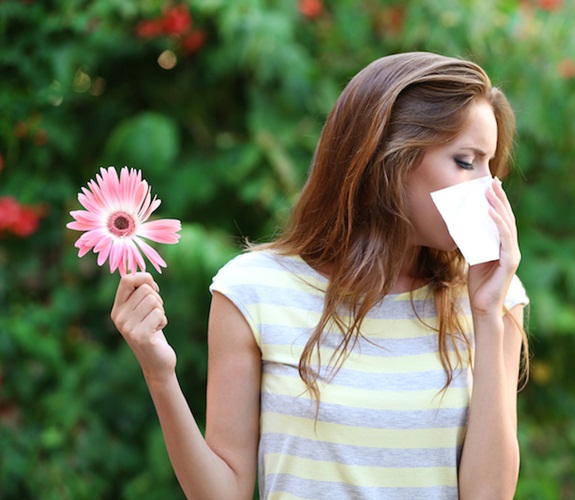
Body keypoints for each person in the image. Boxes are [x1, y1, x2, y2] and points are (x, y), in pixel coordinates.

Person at [111, 51, 530, 499]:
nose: (490, 189)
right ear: (389, 160)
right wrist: (160, 373)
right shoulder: (253, 290)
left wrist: (487, 315)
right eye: (467, 162)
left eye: (491, 167)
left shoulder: (493, 296)